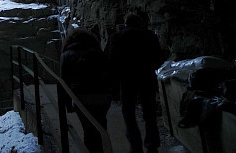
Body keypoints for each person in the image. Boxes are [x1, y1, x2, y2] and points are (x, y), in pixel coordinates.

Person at [107, 13, 164, 153]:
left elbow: (112, 60)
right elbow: (158, 57)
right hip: (146, 76)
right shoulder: (149, 36)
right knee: (149, 112)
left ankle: (135, 144)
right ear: (139, 23)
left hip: (126, 78)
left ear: (125, 23)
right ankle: (152, 144)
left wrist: (114, 83)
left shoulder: (117, 37)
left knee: (128, 113)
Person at [60, 28, 113, 153]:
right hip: (103, 95)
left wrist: (67, 104)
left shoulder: (67, 54)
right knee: (100, 125)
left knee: (88, 130)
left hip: (82, 97)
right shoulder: (98, 52)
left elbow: (64, 81)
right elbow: (109, 73)